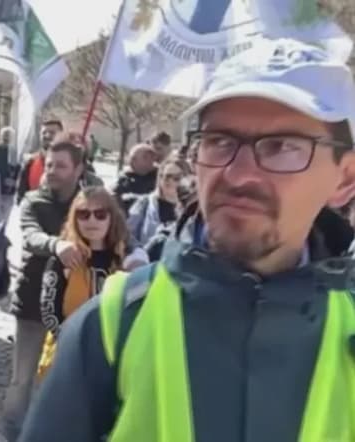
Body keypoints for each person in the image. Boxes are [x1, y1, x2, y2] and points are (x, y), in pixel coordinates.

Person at [20, 38, 355, 441]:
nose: (239, 174)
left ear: (345, 179)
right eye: (220, 141)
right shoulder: (111, 325)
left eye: (282, 146)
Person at [3, 141, 106, 441]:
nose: (52, 171)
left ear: (79, 169)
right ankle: (10, 435)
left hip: (73, 309)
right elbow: (31, 235)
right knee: (21, 380)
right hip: (32, 304)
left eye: (61, 166)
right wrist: (56, 244)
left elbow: (114, 232)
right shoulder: (33, 200)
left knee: (60, 382)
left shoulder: (88, 205)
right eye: (49, 164)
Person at [37, 187, 127, 378]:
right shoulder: (65, 259)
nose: (92, 221)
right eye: (83, 214)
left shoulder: (124, 260)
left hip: (112, 358)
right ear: (74, 219)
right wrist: (73, 343)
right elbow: (49, 311)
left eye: (100, 214)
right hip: (68, 357)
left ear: (112, 218)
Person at [126, 158, 190, 246]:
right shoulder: (145, 204)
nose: (170, 180)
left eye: (177, 178)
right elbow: (128, 236)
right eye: (166, 176)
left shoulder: (191, 209)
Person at [16, 119, 63, 203]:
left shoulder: (72, 163)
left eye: (52, 132)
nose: (47, 135)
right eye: (44, 133)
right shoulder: (30, 162)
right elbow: (21, 196)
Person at [111, 143, 159, 211]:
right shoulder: (124, 180)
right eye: (145, 157)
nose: (150, 160)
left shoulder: (161, 177)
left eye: (151, 157)